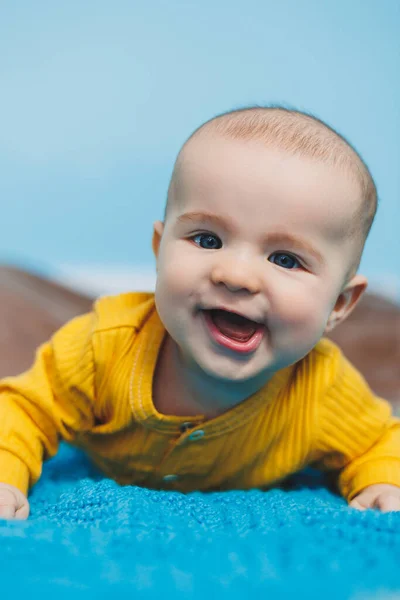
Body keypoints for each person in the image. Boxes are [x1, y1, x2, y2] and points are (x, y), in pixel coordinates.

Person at [1, 106, 399, 521]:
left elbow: (378, 442)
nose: (237, 275)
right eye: (208, 239)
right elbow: (25, 409)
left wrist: (382, 482)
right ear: (160, 250)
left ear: (339, 304)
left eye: (284, 259)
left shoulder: (322, 389)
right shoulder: (102, 348)